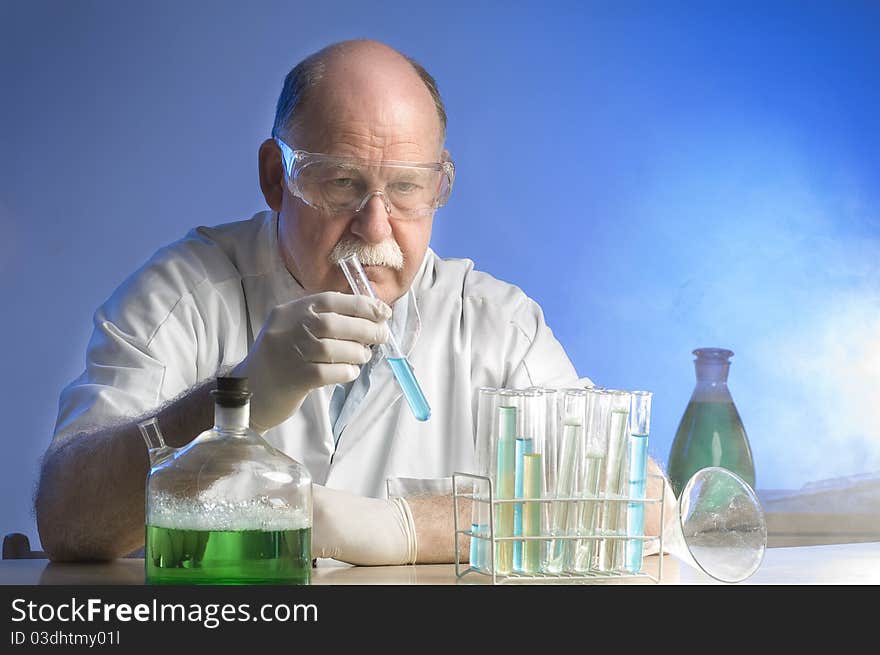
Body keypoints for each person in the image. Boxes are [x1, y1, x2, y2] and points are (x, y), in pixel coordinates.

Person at [36, 39, 672, 566]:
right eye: (341, 183)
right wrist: (234, 398)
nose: (375, 227)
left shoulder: (495, 326)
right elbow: (67, 518)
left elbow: (642, 506)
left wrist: (398, 527)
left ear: (439, 184)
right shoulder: (185, 295)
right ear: (274, 178)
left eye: (406, 188)